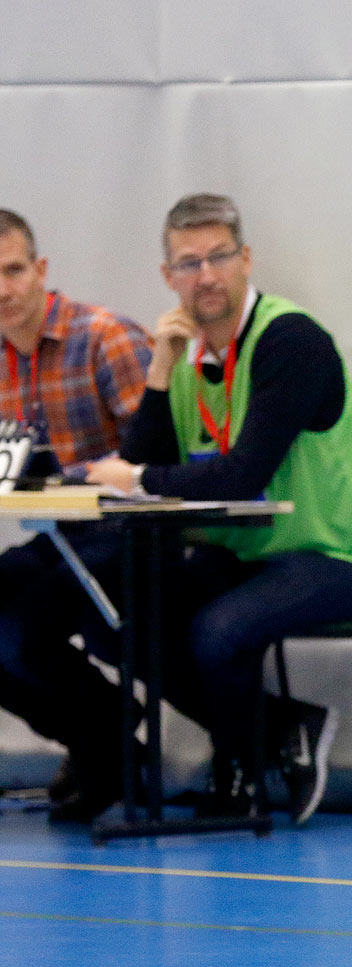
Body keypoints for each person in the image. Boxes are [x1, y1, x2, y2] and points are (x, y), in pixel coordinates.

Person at [84, 193, 352, 823]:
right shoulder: (183, 355)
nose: (205, 276)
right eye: (188, 263)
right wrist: (157, 371)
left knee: (215, 633)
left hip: (342, 557)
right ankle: (280, 733)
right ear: (167, 276)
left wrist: (140, 475)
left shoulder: (290, 339)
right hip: (251, 553)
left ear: (245, 260)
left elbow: (241, 473)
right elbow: (144, 469)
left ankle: (242, 759)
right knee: (111, 618)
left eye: (218, 258)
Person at [0, 208, 152, 823]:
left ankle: (105, 748)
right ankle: (104, 741)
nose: (3, 289)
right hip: (58, 536)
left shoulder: (105, 337)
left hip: (133, 533)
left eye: (12, 270)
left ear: (40, 271)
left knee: (25, 626)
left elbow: (159, 456)